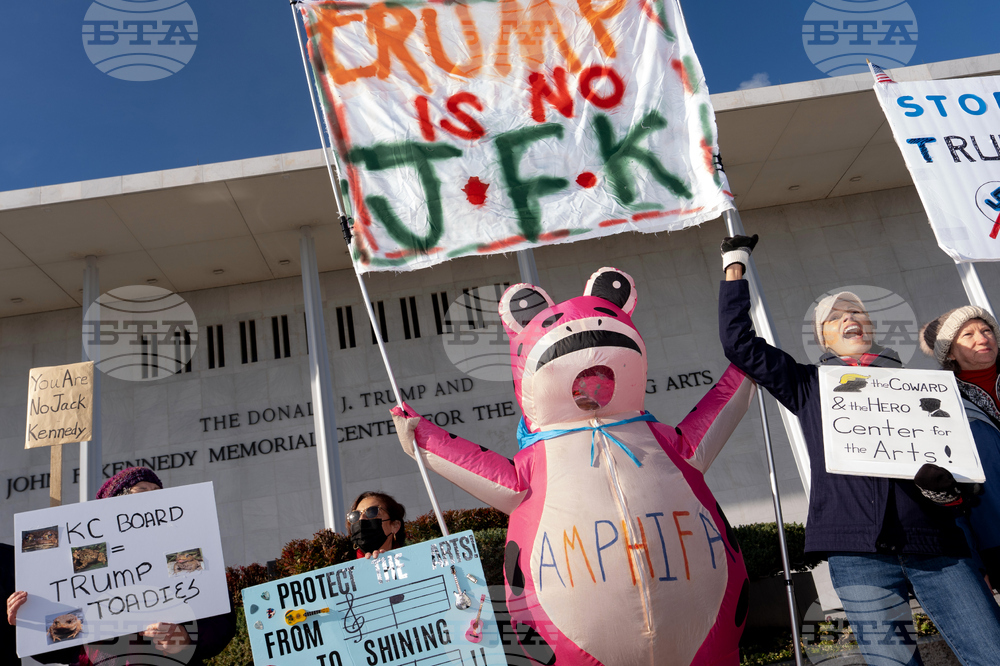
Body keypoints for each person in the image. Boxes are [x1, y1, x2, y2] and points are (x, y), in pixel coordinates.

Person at [719, 234, 1000, 666]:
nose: (850, 318)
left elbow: (963, 481)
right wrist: (734, 267)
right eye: (836, 317)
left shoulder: (921, 388)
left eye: (857, 313)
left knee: (991, 652)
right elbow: (740, 345)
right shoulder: (808, 385)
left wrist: (949, 494)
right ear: (824, 338)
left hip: (939, 547)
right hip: (857, 556)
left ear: (869, 329)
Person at [6, 467, 236, 665]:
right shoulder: (86, 562)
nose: (152, 497)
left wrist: (185, 639)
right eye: (142, 490)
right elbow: (61, 649)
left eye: (158, 492)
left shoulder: (184, 554)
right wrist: (33, 621)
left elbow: (219, 620)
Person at [920, 306, 1000, 590]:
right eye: (968, 334)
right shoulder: (942, 408)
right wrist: (976, 561)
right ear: (950, 353)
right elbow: (948, 491)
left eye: (987, 330)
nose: (982, 337)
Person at [348, 491, 405, 559]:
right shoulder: (343, 565)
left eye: (372, 512)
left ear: (395, 525)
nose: (361, 519)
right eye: (355, 515)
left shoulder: (414, 557)